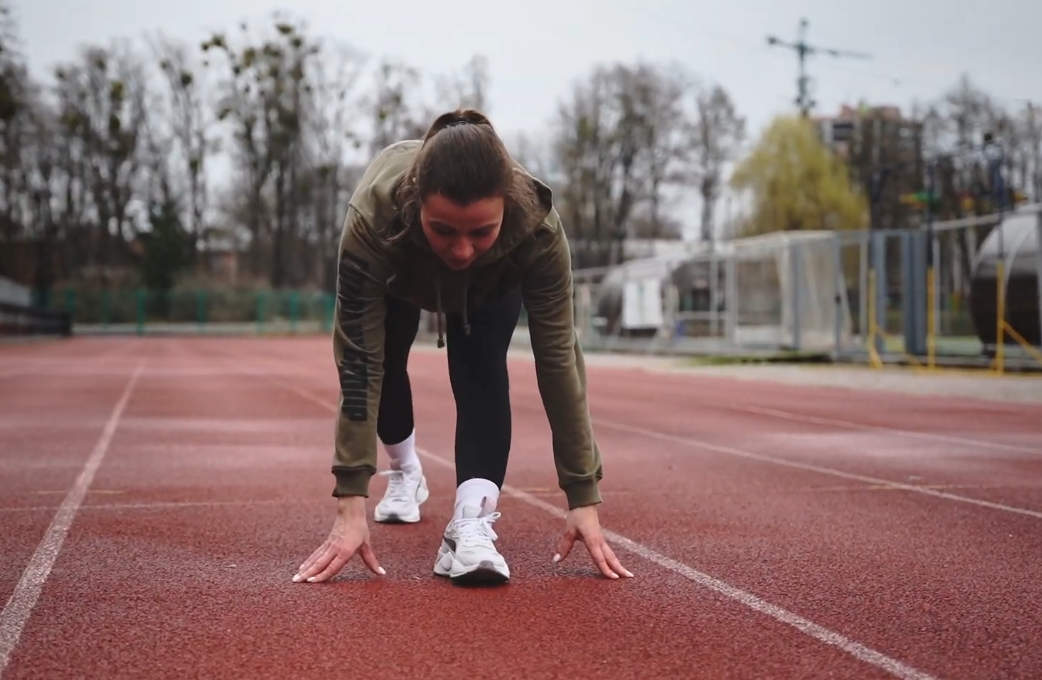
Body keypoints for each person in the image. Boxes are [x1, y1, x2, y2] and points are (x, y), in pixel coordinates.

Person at [292, 108, 633, 586]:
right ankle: (405, 471)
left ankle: (470, 522)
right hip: (400, 268)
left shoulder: (536, 231)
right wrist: (351, 504)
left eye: (480, 231)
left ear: (506, 211)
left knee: (480, 366)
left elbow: (558, 359)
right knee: (385, 362)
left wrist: (583, 496)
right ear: (417, 206)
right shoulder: (373, 217)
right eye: (444, 230)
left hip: (492, 283)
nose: (462, 250)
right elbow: (357, 362)